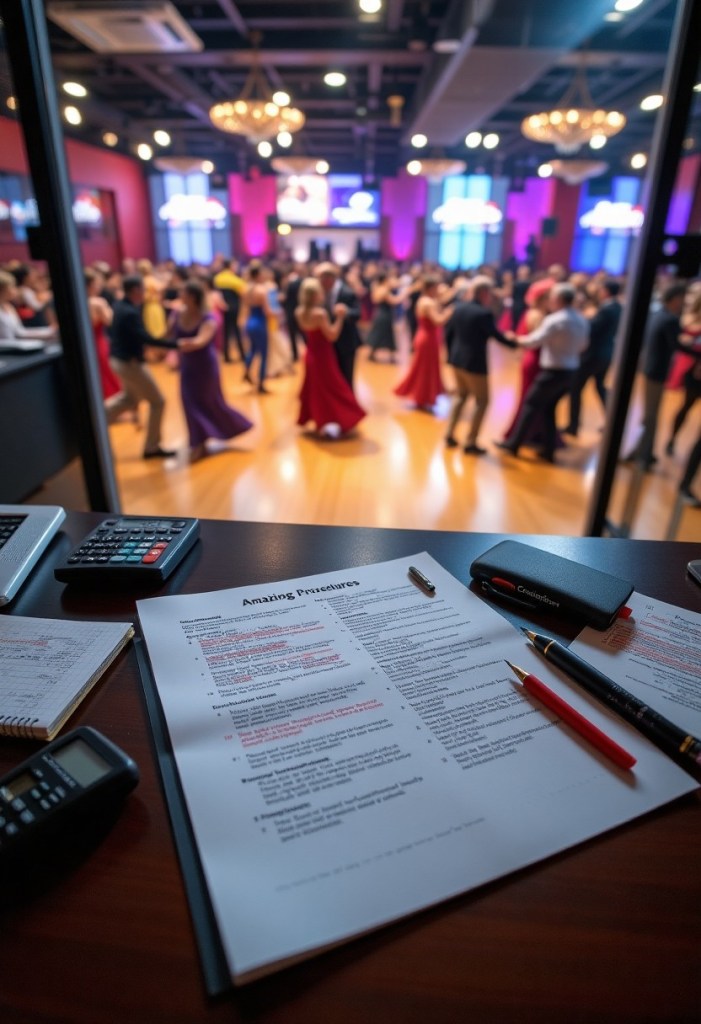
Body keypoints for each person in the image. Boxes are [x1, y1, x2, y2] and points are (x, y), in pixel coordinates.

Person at [495, 283, 589, 463]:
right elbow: (584, 345)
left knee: (530, 405)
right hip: (571, 371)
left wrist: (516, 339)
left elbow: (535, 341)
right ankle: (548, 450)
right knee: (549, 409)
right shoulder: (581, 319)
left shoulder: (555, 320)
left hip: (553, 370)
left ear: (558, 299)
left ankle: (513, 444)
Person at [170, 279, 252, 462]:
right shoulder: (177, 314)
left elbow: (200, 341)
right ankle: (198, 443)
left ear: (192, 297)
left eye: (183, 293)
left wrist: (179, 344)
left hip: (205, 367)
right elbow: (166, 335)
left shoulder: (209, 318)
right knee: (188, 402)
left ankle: (233, 427)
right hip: (187, 366)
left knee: (210, 402)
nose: (180, 296)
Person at [105, 274, 177, 459]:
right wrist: (175, 345)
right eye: (143, 290)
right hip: (129, 363)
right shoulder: (129, 312)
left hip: (119, 360)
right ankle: (152, 447)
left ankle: (96, 419)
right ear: (136, 290)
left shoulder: (120, 305)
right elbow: (144, 337)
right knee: (158, 401)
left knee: (129, 399)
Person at [444, 275, 517, 454]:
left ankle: (449, 433)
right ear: (484, 293)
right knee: (482, 400)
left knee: (461, 396)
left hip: (456, 360)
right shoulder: (483, 313)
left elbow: (448, 334)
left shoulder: (458, 307)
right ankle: (471, 441)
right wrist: (513, 343)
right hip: (474, 363)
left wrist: (450, 356)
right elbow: (495, 334)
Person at [622, 282, 688, 469]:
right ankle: (643, 455)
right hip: (656, 371)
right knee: (651, 415)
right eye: (682, 298)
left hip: (650, 368)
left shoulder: (658, 313)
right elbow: (677, 345)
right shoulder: (670, 319)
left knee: (650, 414)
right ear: (675, 298)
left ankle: (642, 451)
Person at [295, 277, 366, 438]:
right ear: (315, 295)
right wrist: (340, 317)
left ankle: (320, 419)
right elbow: (332, 335)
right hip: (324, 355)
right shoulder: (320, 314)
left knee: (316, 389)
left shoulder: (299, 312)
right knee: (334, 388)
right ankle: (338, 418)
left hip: (310, 354)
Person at [566, 278, 623, 436]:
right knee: (600, 387)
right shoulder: (619, 307)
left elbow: (592, 329)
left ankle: (573, 426)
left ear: (606, 291)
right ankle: (611, 421)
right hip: (607, 353)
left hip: (593, 355)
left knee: (575, 387)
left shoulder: (606, 309)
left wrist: (586, 317)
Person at [501, 277, 554, 444]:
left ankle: (531, 432)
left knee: (533, 399)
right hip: (535, 361)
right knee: (530, 399)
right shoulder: (537, 315)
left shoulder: (535, 313)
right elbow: (537, 341)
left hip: (533, 359)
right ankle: (527, 433)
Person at [394, 274, 452, 411]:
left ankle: (424, 397)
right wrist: (449, 313)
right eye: (436, 288)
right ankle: (422, 397)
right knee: (425, 370)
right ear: (431, 288)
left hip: (425, 337)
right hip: (428, 340)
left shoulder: (424, 300)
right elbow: (438, 321)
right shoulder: (428, 303)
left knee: (424, 369)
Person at [314, 262, 363, 389]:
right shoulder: (318, 292)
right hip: (326, 344)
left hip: (346, 342)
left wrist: (346, 312)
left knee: (346, 378)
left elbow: (358, 314)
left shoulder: (347, 292)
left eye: (322, 279)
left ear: (330, 278)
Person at [666, 289, 701, 456]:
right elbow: (680, 340)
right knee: (686, 406)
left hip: (694, 367)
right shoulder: (688, 318)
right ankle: (672, 440)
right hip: (694, 370)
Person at [84, 267, 121, 399]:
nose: (99, 287)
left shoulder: (77, 302)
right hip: (99, 343)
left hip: (85, 345)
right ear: (90, 285)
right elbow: (111, 321)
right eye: (96, 284)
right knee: (107, 373)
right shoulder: (98, 302)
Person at [241, 260, 273, 393]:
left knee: (253, 350)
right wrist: (278, 313)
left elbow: (245, 308)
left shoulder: (246, 289)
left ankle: (246, 371)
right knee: (264, 354)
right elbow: (267, 311)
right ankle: (261, 383)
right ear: (258, 275)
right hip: (260, 323)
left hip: (249, 322)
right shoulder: (262, 290)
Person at [0, 270, 57, 343]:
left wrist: (49, 331)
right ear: (2, 289)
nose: (15, 290)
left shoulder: (9, 307)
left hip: (14, 346)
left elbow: (20, 332)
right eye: (11, 287)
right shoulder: (25, 291)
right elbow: (36, 306)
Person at [366, 270, 404, 362]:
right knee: (385, 334)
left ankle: (375, 353)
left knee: (380, 333)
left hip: (379, 313)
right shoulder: (384, 290)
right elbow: (394, 301)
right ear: (385, 280)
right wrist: (405, 294)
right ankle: (390, 355)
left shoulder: (377, 288)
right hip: (385, 315)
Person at [213, 258, 246, 363]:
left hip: (222, 308)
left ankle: (226, 355)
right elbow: (243, 293)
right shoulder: (235, 279)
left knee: (225, 332)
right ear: (230, 266)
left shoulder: (217, 278)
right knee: (236, 330)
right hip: (235, 307)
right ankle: (242, 354)